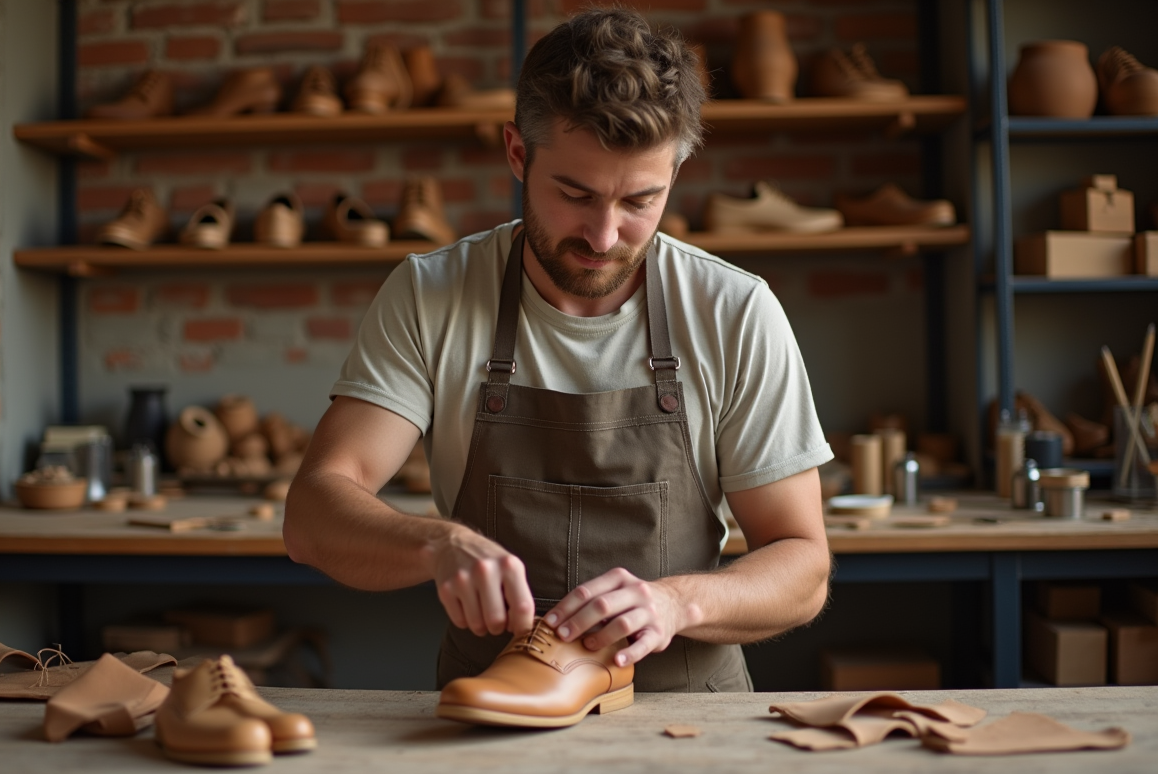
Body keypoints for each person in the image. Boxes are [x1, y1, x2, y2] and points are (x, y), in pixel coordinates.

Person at [283, 8, 833, 693]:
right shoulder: (432, 294)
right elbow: (312, 512)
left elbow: (802, 565)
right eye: (575, 194)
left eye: (640, 200)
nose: (604, 236)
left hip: (689, 716)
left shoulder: (734, 311)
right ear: (518, 153)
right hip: (494, 707)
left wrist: (677, 603)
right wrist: (434, 543)